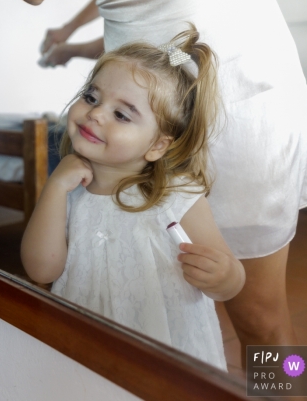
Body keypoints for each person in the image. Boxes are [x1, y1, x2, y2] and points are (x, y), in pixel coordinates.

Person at [7, 0, 307, 365]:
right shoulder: (96, 142)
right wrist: (77, 43)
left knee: (260, 316)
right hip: (130, 126)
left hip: (241, 98)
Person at [21, 27, 244, 369]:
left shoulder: (177, 196)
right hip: (86, 348)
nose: (95, 114)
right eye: (92, 97)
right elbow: (41, 269)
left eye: (121, 114)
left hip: (167, 354)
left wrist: (225, 276)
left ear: (158, 145)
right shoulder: (68, 190)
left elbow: (229, 279)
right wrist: (54, 188)